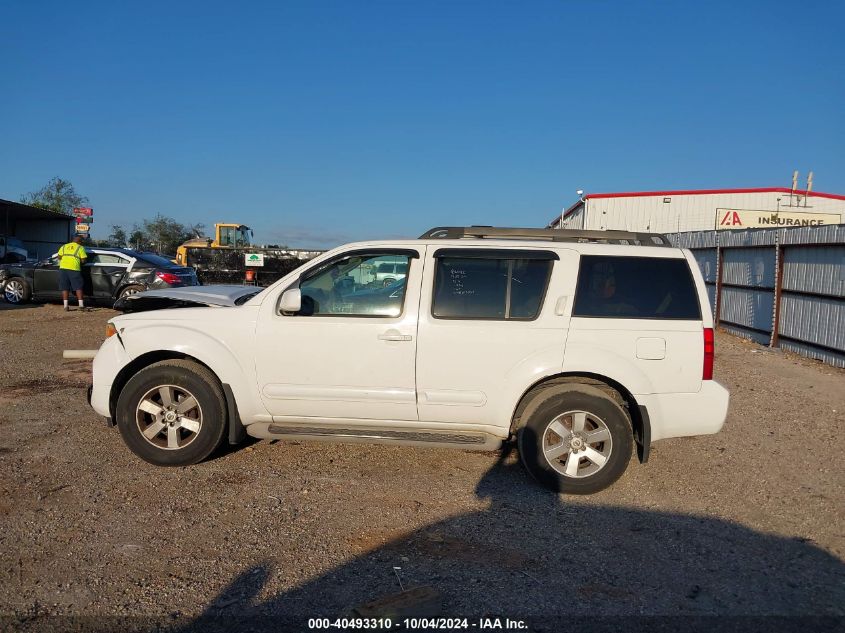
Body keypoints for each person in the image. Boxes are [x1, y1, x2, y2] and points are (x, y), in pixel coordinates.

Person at [58, 234, 88, 311]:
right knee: (78, 287)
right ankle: (81, 306)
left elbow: (59, 257)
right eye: (81, 241)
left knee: (65, 287)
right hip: (74, 269)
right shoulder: (80, 248)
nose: (82, 242)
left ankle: (65, 306)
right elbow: (83, 260)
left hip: (63, 269)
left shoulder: (64, 246)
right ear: (79, 241)